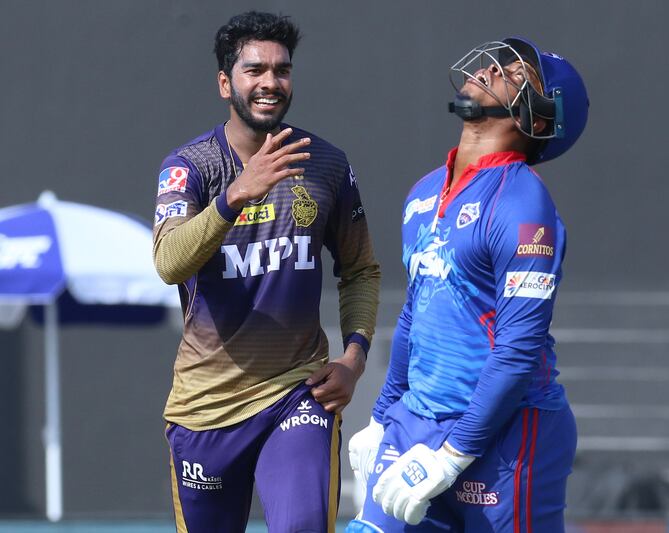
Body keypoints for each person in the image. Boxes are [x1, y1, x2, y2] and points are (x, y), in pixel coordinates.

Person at [346, 37, 588, 532]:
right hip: (415, 421)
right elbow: (417, 311)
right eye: (498, 61)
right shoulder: (424, 192)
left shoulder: (524, 205)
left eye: (516, 74)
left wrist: (453, 454)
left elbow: (518, 349)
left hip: (510, 435)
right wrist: (380, 416)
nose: (491, 68)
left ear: (538, 119)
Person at [151, 11, 381, 533]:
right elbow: (169, 263)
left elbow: (361, 269)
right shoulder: (191, 167)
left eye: (282, 70)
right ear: (225, 82)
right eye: (255, 70)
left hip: (297, 393)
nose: (270, 83)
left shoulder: (326, 164)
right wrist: (233, 197)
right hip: (205, 407)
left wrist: (353, 359)